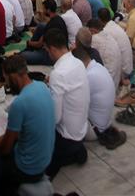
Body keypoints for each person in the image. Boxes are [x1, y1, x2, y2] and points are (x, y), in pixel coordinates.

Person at [0, 55, 56, 195]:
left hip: (28, 170)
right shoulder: (42, 87)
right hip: (47, 160)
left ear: (14, 76)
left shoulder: (19, 104)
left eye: (6, 79)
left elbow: (5, 149)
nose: (6, 84)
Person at [45, 29, 89, 179]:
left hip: (66, 138)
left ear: (51, 49)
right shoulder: (78, 62)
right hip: (81, 130)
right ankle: (76, 152)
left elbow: (55, 119)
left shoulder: (58, 74)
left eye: (47, 50)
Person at [72, 39, 125, 149]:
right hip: (103, 124)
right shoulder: (98, 67)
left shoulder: (88, 76)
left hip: (94, 130)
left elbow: (73, 102)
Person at [22, 0, 68, 65]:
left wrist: (28, 42)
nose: (42, 11)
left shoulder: (51, 25)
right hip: (58, 49)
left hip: (52, 56)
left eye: (43, 9)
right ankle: (31, 49)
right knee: (41, 26)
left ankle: (29, 50)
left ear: (48, 10)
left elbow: (39, 44)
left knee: (23, 55)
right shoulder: (58, 18)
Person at [98, 8, 133, 82]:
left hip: (124, 71)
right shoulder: (114, 25)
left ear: (99, 20)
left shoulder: (106, 32)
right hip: (129, 67)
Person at [87, 19, 121, 89]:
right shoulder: (107, 34)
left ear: (93, 30)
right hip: (116, 79)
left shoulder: (95, 39)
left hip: (108, 83)